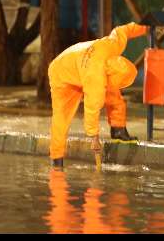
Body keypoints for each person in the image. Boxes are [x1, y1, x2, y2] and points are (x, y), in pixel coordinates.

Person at [48, 22, 148, 167]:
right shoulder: (96, 78)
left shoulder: (113, 46)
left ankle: (118, 130)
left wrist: (145, 28)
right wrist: (94, 137)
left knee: (113, 95)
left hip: (81, 61)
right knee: (62, 116)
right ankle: (56, 159)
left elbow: (123, 30)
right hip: (61, 72)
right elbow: (91, 108)